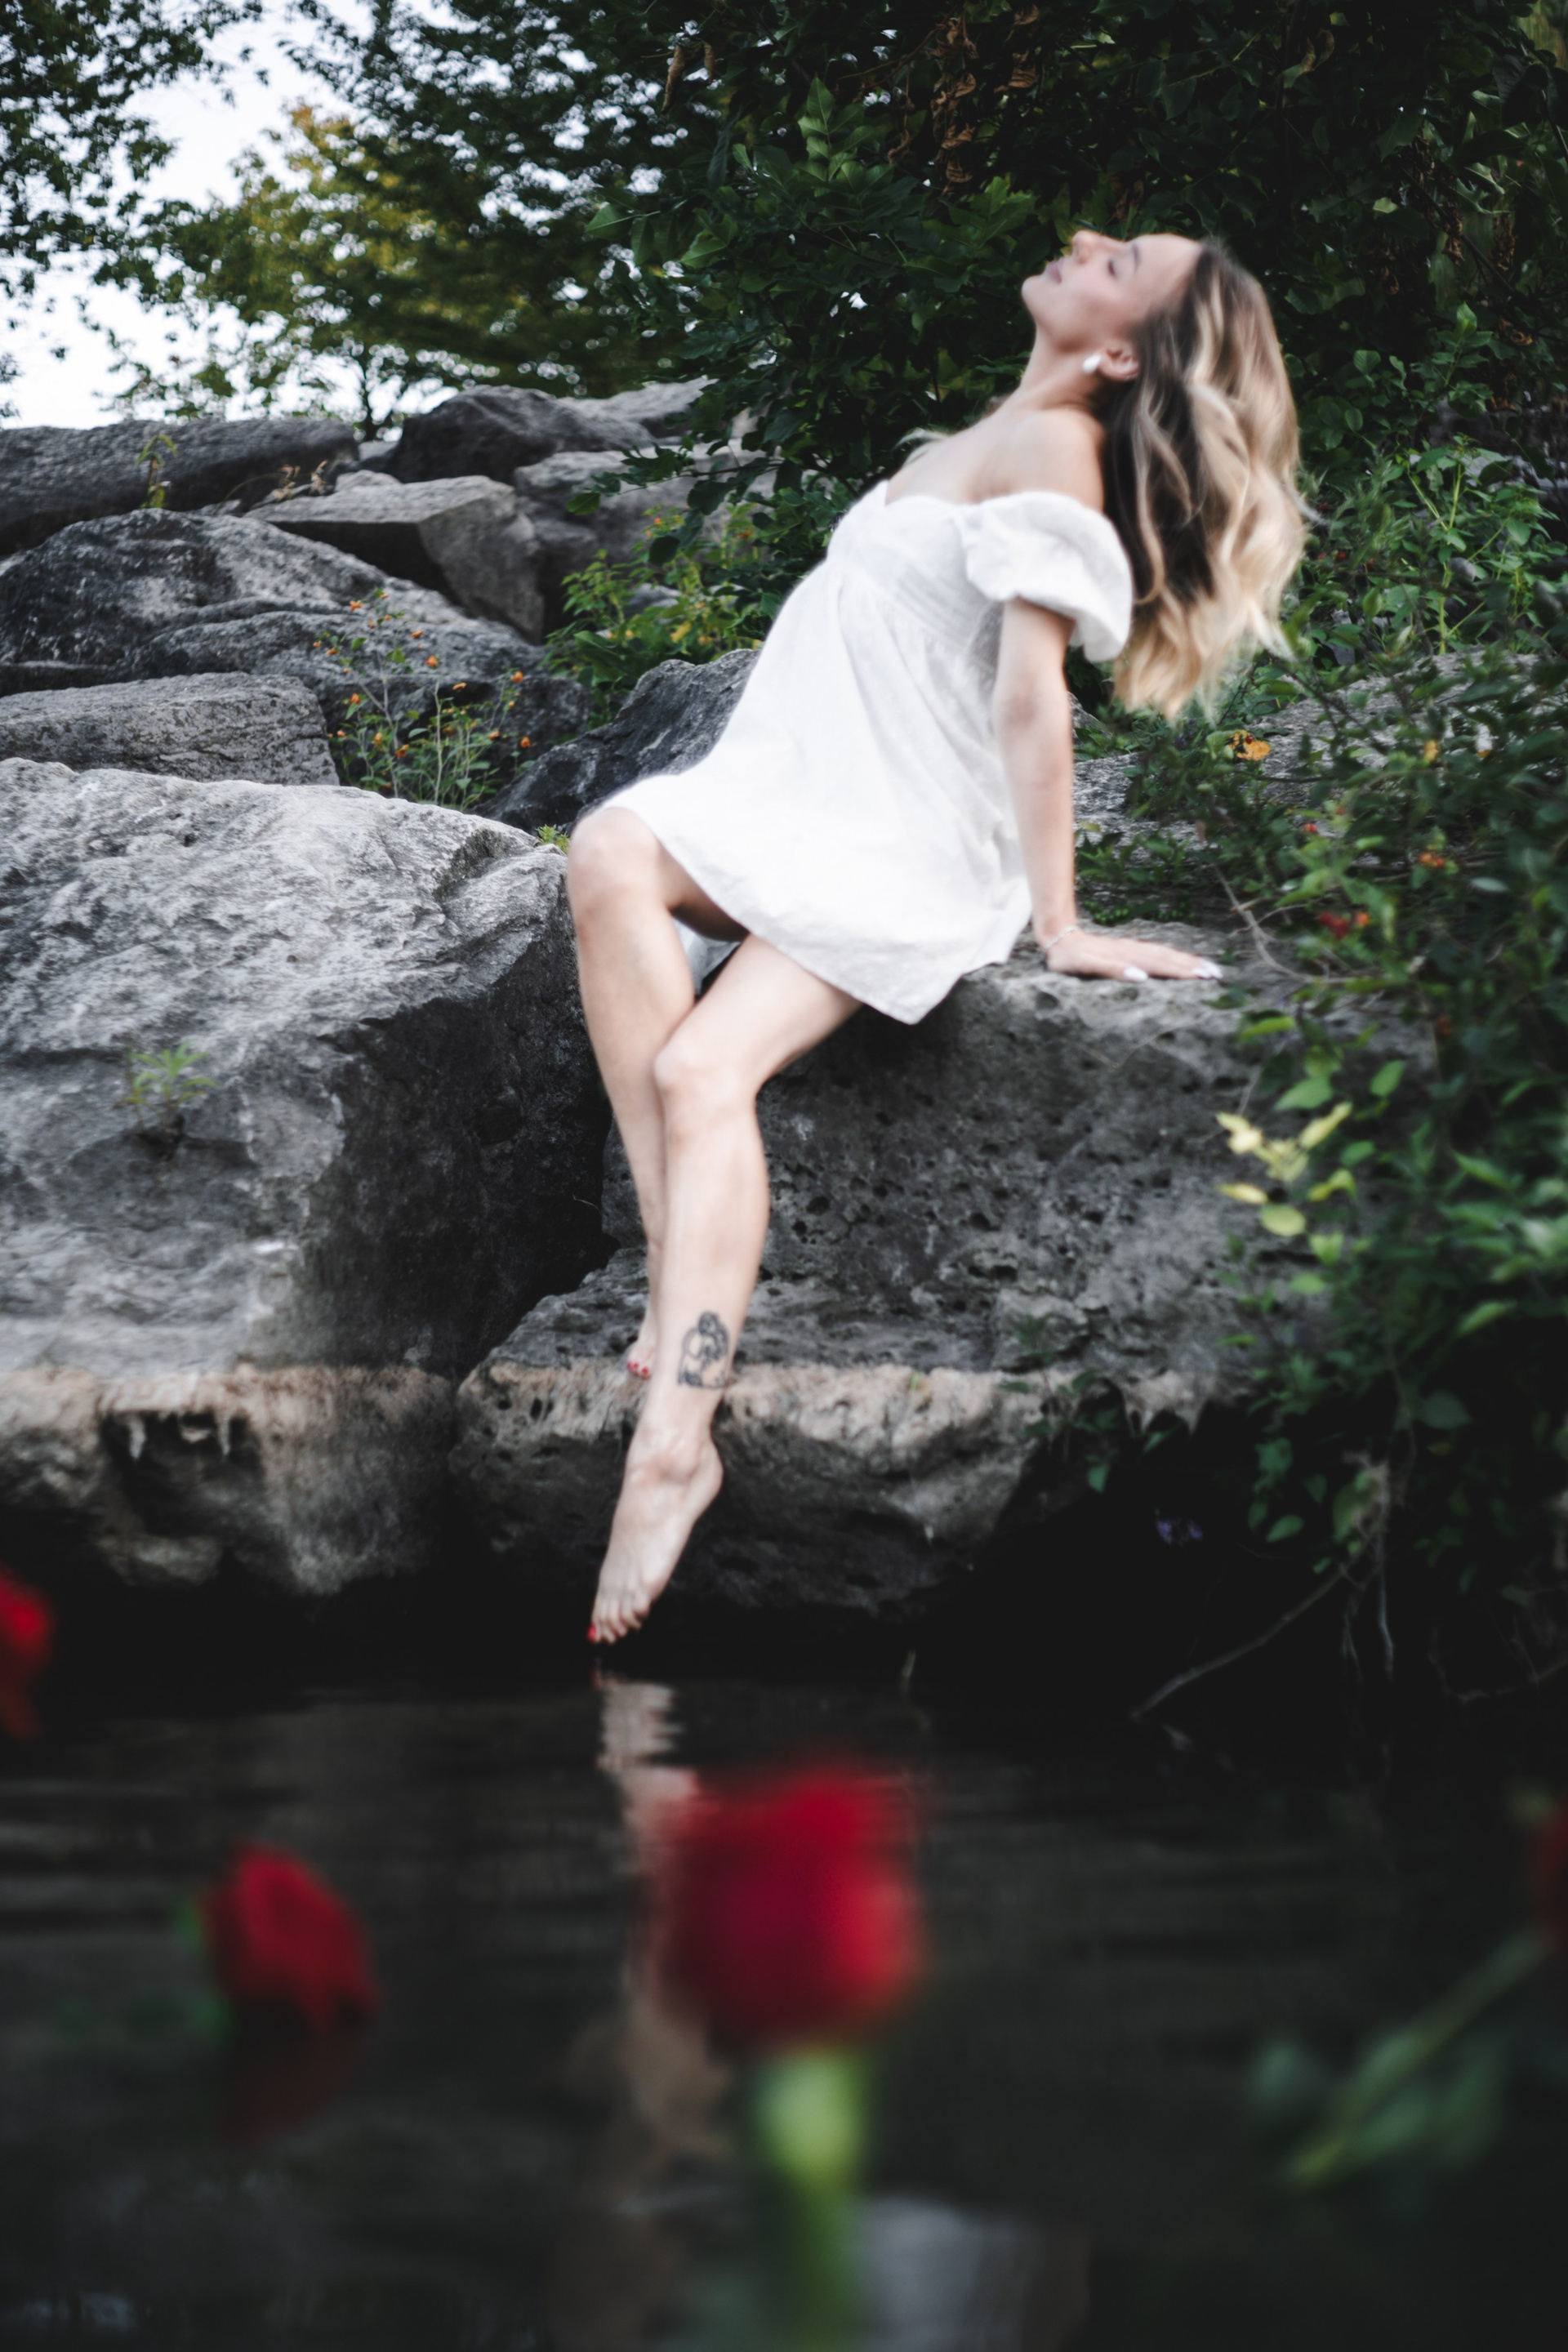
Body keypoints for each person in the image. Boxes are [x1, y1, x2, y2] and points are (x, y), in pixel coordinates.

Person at [568, 229, 1307, 1644]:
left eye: (1121, 259)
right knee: (608, 850)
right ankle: (677, 1277)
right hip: (792, 808)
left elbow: (1034, 699)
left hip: (899, 846)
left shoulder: (1057, 451)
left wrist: (1061, 923)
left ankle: (675, 1444)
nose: (1084, 240)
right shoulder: (975, 437)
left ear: (1123, 352)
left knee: (701, 1073)